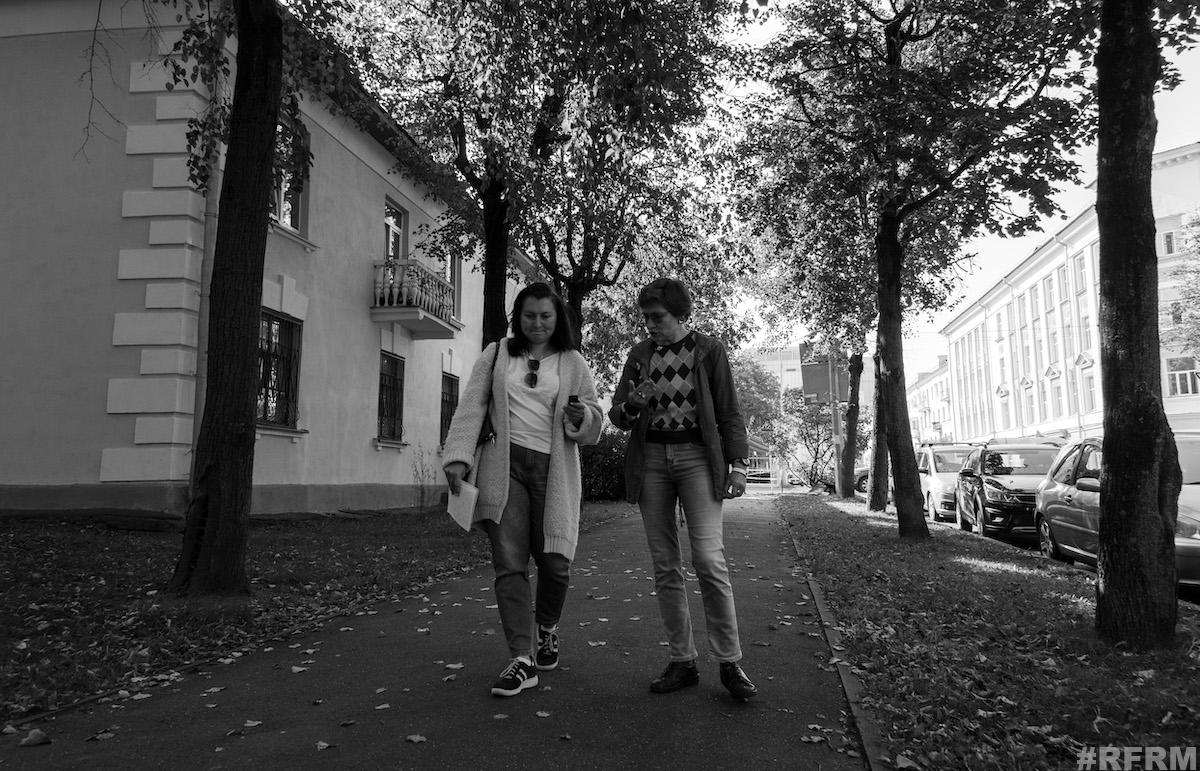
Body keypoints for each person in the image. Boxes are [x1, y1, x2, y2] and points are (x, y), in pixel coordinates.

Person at [442, 283, 603, 697]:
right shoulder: (497, 354)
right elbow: (472, 407)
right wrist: (458, 457)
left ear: (557, 318)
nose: (536, 323)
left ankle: (547, 627)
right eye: (529, 315)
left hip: (554, 470)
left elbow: (593, 424)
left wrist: (582, 415)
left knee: (555, 562)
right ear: (519, 316)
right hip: (504, 467)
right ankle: (522, 658)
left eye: (545, 316)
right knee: (510, 562)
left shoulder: (572, 362)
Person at [607, 277, 758, 701]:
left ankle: (729, 663)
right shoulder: (639, 356)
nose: (650, 325)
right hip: (652, 461)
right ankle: (682, 661)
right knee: (665, 565)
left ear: (680, 315)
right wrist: (633, 404)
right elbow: (619, 416)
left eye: (657, 317)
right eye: (645, 318)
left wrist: (739, 465)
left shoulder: (707, 351)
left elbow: (729, 410)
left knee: (709, 559)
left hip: (697, 460)